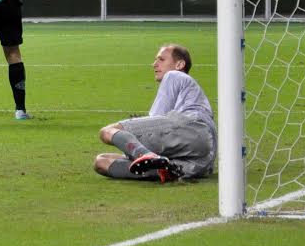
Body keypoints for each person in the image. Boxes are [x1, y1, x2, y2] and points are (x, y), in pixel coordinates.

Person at [93, 44, 217, 183]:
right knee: (102, 162)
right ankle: (162, 170)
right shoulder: (194, 95)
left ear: (180, 64)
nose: (154, 64)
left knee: (108, 131)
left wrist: (136, 147)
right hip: (202, 159)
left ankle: (147, 156)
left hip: (189, 124)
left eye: (161, 59)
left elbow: (157, 116)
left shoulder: (174, 75)